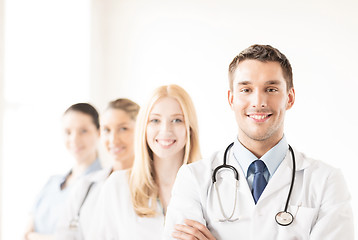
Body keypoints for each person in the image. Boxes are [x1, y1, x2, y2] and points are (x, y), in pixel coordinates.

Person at [163, 44, 354, 240]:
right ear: (231, 99)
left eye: (271, 89)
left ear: (290, 98)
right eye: (246, 89)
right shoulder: (194, 179)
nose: (258, 102)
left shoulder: (326, 181)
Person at [88, 84, 202, 239]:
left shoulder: (209, 188)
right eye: (155, 120)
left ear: (189, 127)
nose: (165, 130)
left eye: (177, 120)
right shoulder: (117, 186)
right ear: (144, 127)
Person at [55, 98, 140, 240]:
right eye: (106, 130)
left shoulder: (156, 186)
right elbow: (64, 234)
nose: (113, 140)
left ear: (141, 130)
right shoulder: (86, 185)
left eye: (123, 129)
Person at [24, 103, 102, 240]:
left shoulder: (104, 184)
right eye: (68, 132)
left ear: (99, 132)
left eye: (83, 131)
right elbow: (26, 233)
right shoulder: (52, 182)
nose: (74, 139)